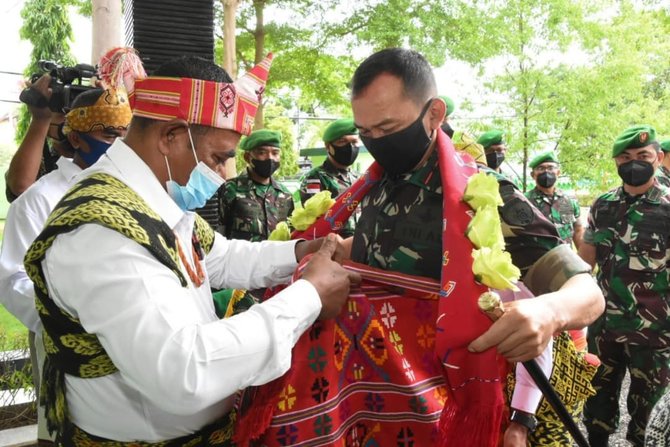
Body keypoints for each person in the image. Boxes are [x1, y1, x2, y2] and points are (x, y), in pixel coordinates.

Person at [238, 48, 604, 447]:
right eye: (366, 132)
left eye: (388, 127)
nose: (376, 143)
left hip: (457, 406)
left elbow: (588, 294)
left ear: (434, 114)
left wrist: (548, 310)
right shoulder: (374, 188)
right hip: (384, 407)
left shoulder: (483, 194)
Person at [22, 50, 357, 445]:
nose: (222, 174)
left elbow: (221, 257)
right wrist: (309, 296)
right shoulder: (102, 230)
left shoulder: (151, 202)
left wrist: (304, 252)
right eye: (218, 158)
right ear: (171, 137)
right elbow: (183, 374)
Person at [0, 86, 131, 446]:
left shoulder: (137, 191)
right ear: (75, 136)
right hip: (67, 342)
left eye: (124, 134)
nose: (119, 144)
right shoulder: (39, 201)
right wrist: (76, 318)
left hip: (132, 340)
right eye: (108, 134)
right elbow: (13, 278)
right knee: (65, 431)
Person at [579, 125, 670, 447]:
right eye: (625, 157)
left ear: (658, 158)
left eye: (643, 156)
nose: (634, 163)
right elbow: (586, 260)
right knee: (597, 400)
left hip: (655, 329)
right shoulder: (603, 206)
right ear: (616, 162)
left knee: (648, 407)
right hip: (604, 326)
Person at [6, 73, 74, 202]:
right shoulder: (40, 162)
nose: (71, 121)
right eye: (62, 114)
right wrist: (40, 119)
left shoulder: (96, 157)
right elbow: (21, 187)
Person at [219, 129, 294, 241]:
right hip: (241, 257)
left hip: (278, 257)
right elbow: (217, 234)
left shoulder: (285, 194)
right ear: (247, 157)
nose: (270, 158)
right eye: (262, 153)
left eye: (275, 153)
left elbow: (292, 233)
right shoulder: (229, 189)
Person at [299, 118, 360, 237]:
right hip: (331, 246)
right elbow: (313, 218)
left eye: (354, 141)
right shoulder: (315, 178)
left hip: (358, 245)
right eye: (342, 141)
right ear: (328, 146)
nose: (350, 147)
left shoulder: (359, 178)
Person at [526, 151, 584, 248]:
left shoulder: (568, 200)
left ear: (558, 172)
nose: (546, 172)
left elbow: (578, 230)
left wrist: (582, 258)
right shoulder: (525, 200)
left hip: (567, 259)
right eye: (541, 168)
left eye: (550, 168)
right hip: (538, 259)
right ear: (533, 175)